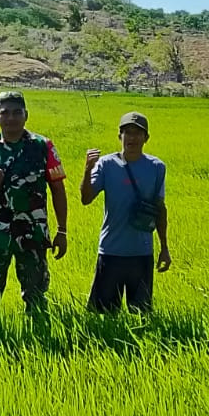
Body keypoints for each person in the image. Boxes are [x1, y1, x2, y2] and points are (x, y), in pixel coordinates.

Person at [0, 91, 68, 312]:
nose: (11, 118)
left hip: (33, 233)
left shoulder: (43, 146)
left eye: (17, 112)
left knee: (36, 294)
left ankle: (39, 341)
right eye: (5, 113)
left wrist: (62, 231)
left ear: (26, 115)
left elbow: (58, 188)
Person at [80, 111, 171, 314]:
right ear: (119, 136)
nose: (132, 138)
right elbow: (86, 199)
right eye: (127, 132)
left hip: (142, 252)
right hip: (111, 250)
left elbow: (160, 209)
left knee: (141, 313)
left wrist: (164, 247)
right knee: (103, 314)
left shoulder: (156, 167)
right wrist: (87, 171)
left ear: (146, 138)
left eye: (138, 133)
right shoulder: (106, 164)